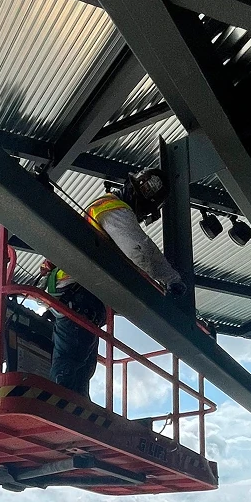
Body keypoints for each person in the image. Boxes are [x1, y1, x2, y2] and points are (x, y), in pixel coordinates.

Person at [42, 169, 186, 398]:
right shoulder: (113, 208)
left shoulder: (105, 208)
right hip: (79, 295)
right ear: (143, 204)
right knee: (72, 363)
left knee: (81, 364)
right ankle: (62, 408)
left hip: (78, 296)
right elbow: (139, 251)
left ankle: (74, 410)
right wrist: (170, 280)